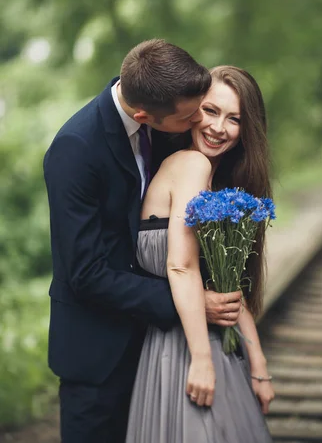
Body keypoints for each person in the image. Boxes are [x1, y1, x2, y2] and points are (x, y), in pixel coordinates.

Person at [43, 40, 244, 443]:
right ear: (143, 115)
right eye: (190, 117)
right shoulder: (75, 150)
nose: (195, 125)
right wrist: (190, 302)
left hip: (159, 350)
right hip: (97, 354)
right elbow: (87, 274)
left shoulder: (165, 108)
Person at [126, 66, 275, 443]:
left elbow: (225, 286)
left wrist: (258, 366)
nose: (218, 128)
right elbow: (180, 265)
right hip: (184, 347)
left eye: (234, 118)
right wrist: (203, 362)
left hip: (203, 344)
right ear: (193, 110)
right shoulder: (191, 165)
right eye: (211, 111)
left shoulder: (216, 181)